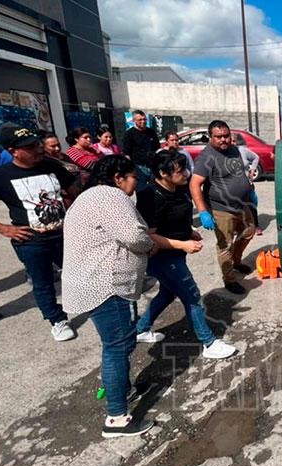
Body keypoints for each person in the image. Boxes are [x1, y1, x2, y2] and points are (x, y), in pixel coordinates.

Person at [0, 123, 79, 342]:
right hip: (32, 241)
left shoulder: (51, 165)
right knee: (43, 283)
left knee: (78, 274)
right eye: (30, 147)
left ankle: (89, 304)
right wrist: (2, 228)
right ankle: (57, 320)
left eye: (37, 144)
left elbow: (73, 190)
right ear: (13, 151)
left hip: (64, 235)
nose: (38, 149)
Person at [61, 155, 155, 438]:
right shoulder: (110, 196)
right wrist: (149, 244)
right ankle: (117, 418)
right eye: (134, 177)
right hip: (106, 285)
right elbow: (134, 236)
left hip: (92, 282)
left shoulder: (88, 197)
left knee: (119, 343)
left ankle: (124, 390)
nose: (136, 184)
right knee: (116, 346)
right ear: (118, 178)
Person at [134, 150, 239, 358]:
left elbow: (175, 217)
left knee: (168, 292)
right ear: (163, 173)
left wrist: (188, 231)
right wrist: (183, 244)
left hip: (176, 252)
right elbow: (149, 236)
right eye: (180, 170)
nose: (186, 174)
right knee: (192, 296)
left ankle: (141, 329)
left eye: (184, 169)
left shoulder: (178, 188)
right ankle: (209, 343)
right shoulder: (150, 196)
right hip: (161, 257)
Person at [190, 120, 254, 295]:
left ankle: (236, 261)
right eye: (219, 137)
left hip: (242, 204)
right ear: (210, 137)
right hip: (221, 209)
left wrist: (249, 189)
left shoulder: (233, 150)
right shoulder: (206, 157)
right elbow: (194, 184)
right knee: (225, 245)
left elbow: (238, 172)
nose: (224, 140)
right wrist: (203, 212)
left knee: (249, 231)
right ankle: (229, 280)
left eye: (226, 136)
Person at [121, 110, 160, 189]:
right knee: (141, 190)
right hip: (139, 167)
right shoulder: (129, 134)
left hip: (152, 166)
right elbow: (126, 153)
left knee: (155, 189)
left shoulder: (151, 132)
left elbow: (157, 148)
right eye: (140, 120)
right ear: (134, 121)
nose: (143, 121)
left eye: (144, 119)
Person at [237, 144, 263, 235]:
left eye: (234, 141)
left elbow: (256, 157)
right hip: (233, 186)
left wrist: (252, 170)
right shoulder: (224, 153)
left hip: (247, 184)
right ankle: (239, 227)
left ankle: (256, 226)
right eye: (231, 141)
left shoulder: (242, 150)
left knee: (251, 205)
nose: (232, 143)